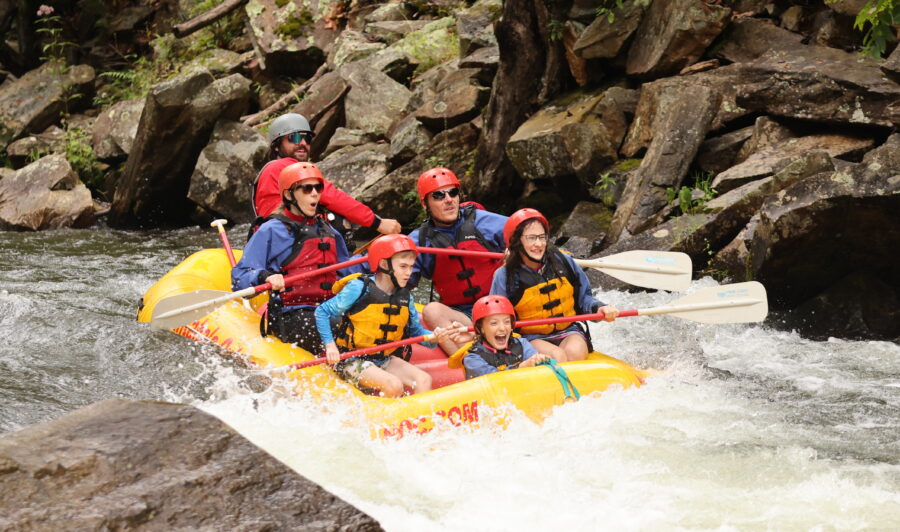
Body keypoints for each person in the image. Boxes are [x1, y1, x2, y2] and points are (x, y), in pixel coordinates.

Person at [315, 234, 456, 398]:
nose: (409, 272)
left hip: (384, 359)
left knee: (424, 379)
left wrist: (435, 337)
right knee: (394, 385)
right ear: (384, 264)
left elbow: (416, 333)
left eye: (411, 267)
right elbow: (322, 312)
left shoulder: (405, 297)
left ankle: (419, 422)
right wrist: (330, 345)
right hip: (351, 360)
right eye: (403, 266)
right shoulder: (359, 288)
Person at [232, 162, 350, 353]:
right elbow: (239, 277)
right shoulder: (270, 230)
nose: (314, 194)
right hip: (291, 315)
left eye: (318, 188)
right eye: (306, 188)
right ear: (289, 195)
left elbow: (347, 269)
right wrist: (265, 276)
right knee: (343, 331)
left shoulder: (328, 230)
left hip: (328, 310)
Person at [490, 208, 619, 362]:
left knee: (575, 353)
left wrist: (600, 308)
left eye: (542, 237)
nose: (539, 244)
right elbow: (496, 317)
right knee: (557, 356)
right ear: (517, 241)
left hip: (568, 330)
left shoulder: (564, 262)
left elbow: (584, 299)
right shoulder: (505, 276)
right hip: (530, 337)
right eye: (531, 238)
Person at [407, 167, 508, 355]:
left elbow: (525, 231)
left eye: (453, 193)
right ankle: (467, 361)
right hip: (464, 315)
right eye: (438, 195)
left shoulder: (482, 221)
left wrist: (515, 249)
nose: (448, 200)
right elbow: (396, 275)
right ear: (425, 204)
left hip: (501, 306)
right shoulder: (420, 241)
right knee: (431, 311)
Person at [252, 112, 401, 235]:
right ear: (277, 146)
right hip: (285, 241)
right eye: (295, 137)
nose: (303, 143)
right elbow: (332, 197)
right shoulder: (282, 168)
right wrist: (377, 223)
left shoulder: (279, 169)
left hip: (290, 236)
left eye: (307, 138)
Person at [448, 295, 554, 380]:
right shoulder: (472, 358)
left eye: (507, 322)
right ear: (481, 329)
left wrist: (540, 361)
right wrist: (522, 367)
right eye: (494, 323)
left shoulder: (522, 344)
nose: (502, 328)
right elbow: (494, 381)